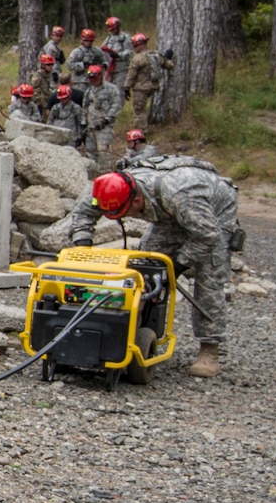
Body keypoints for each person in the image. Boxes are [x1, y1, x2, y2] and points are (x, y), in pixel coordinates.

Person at [61, 162, 242, 378]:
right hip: (165, 211)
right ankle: (137, 332)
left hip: (213, 213)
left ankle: (209, 349)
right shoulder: (106, 188)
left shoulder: (180, 196)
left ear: (137, 201)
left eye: (121, 213)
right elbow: (83, 214)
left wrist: (177, 266)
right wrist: (83, 249)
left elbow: (207, 236)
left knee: (209, 274)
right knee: (145, 268)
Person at [80, 64, 124, 168]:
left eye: (94, 78)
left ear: (100, 76)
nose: (92, 81)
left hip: (104, 127)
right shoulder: (88, 91)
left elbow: (116, 105)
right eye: (90, 78)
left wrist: (106, 119)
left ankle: (104, 171)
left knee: (103, 152)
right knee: (90, 152)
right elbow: (84, 108)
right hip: (90, 127)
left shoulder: (111, 89)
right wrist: (83, 123)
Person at [122, 33, 161, 127]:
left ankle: (141, 131)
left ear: (141, 44)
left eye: (135, 45)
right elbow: (168, 64)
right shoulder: (155, 55)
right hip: (154, 86)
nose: (134, 48)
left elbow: (131, 76)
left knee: (139, 110)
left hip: (141, 88)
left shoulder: (137, 59)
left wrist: (126, 88)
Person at [48, 82, 86, 148]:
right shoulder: (55, 108)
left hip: (70, 138)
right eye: (60, 99)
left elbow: (80, 123)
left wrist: (79, 136)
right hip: (56, 136)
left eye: (64, 98)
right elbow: (50, 121)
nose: (62, 100)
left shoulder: (76, 108)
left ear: (69, 96)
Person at [98, 16, 133, 84]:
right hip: (109, 70)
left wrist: (118, 55)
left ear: (118, 27)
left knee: (119, 91)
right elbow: (102, 51)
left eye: (113, 29)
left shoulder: (125, 38)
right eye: (110, 30)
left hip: (121, 70)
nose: (112, 31)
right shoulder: (109, 38)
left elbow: (130, 52)